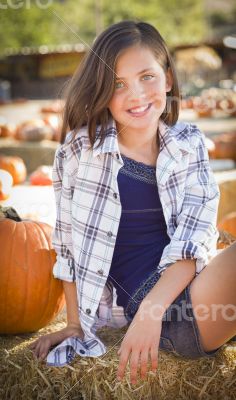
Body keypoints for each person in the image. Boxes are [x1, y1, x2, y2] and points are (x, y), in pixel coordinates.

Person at [29, 20, 236, 385]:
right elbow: (67, 245)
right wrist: (75, 324)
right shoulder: (80, 150)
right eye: (118, 84)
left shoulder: (190, 145)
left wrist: (150, 315)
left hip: (180, 295)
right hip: (166, 314)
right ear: (102, 91)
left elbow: (194, 239)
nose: (136, 95)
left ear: (168, 79)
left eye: (147, 77)